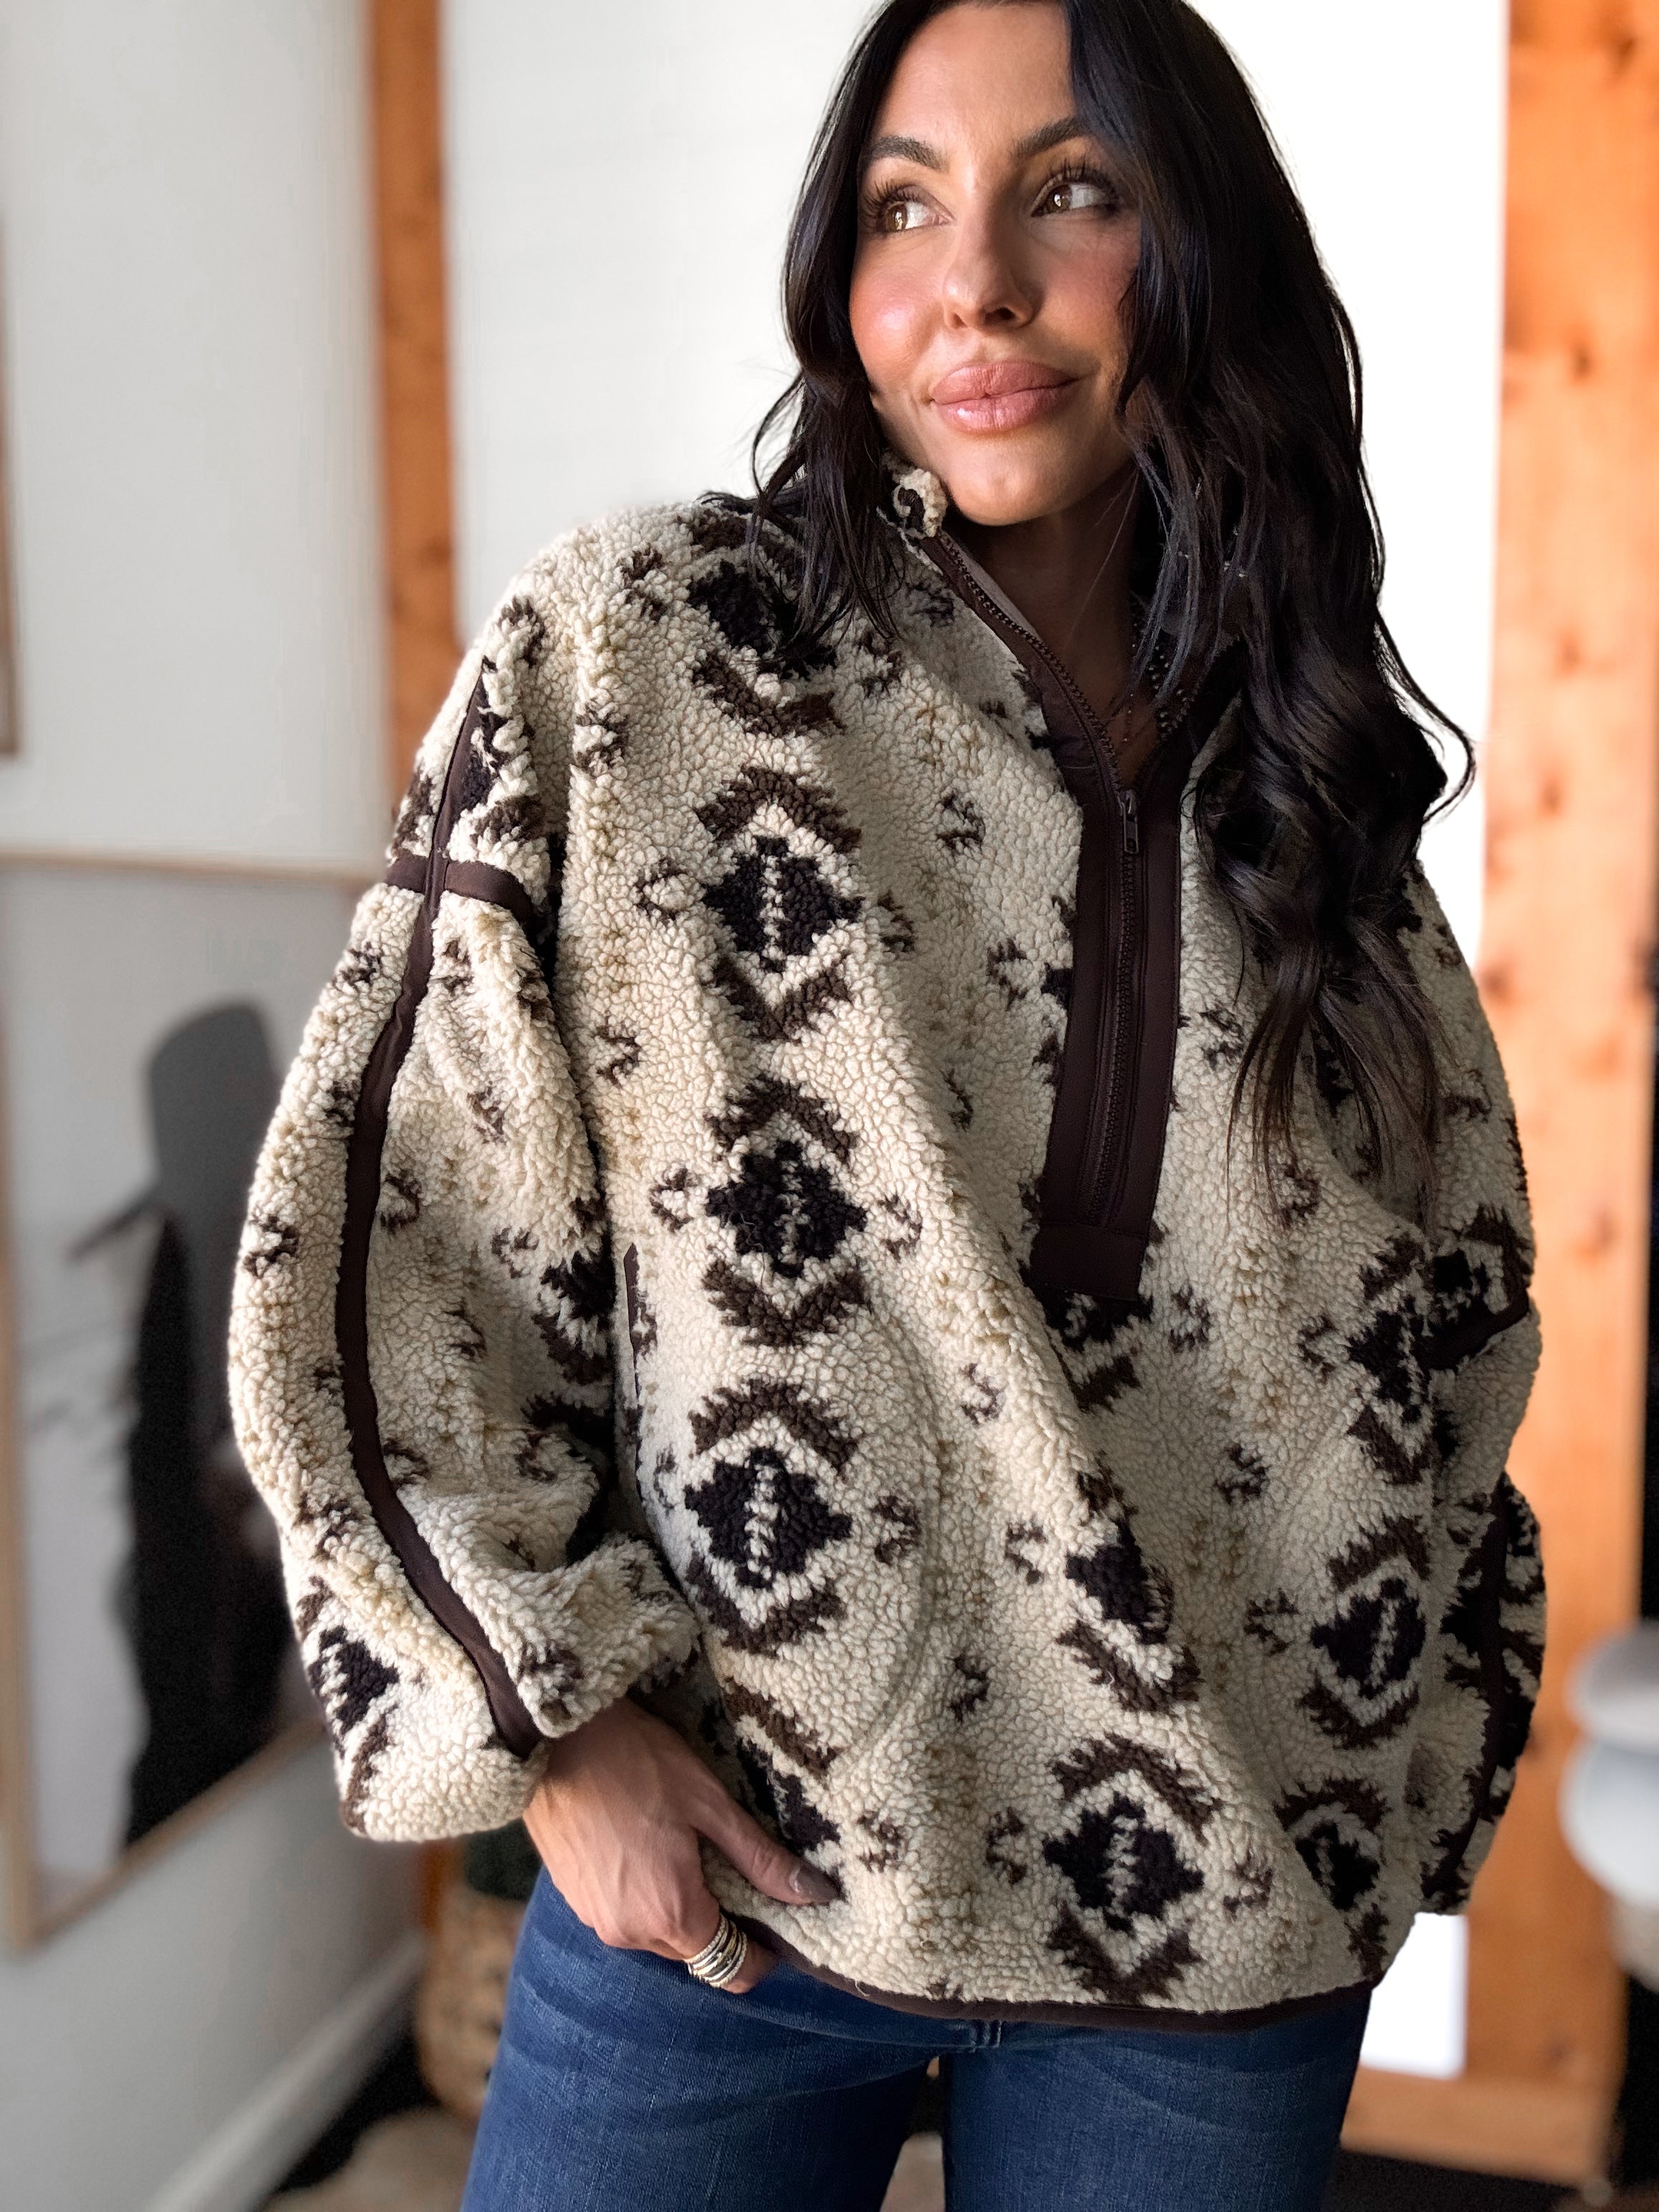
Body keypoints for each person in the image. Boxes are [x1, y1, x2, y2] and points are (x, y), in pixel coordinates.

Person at [228, 3, 1547, 2206]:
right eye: (899, 207)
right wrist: (549, 1735)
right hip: (735, 1902)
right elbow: (383, 1239)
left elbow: (1452, 1319)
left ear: (1191, 244)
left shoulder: (1304, 782)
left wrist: (1391, 1786)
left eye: (1072, 192)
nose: (975, 286)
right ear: (839, 283)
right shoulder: (636, 649)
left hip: (1212, 1931)